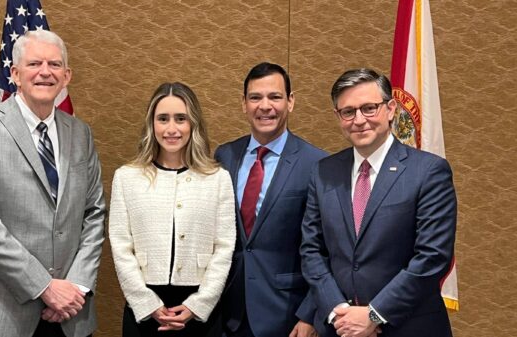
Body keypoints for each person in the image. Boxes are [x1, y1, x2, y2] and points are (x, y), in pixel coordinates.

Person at [0, 30, 106, 337]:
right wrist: (45, 287)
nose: (45, 72)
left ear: (67, 75)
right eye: (35, 63)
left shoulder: (80, 134)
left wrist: (76, 286)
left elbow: (94, 213)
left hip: (69, 315)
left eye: (55, 64)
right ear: (16, 74)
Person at [300, 68, 457, 337]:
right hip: (340, 327)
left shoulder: (429, 171)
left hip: (408, 326)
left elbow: (432, 257)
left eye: (369, 108)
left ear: (391, 108)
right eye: (348, 112)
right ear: (338, 117)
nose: (359, 120)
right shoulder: (323, 172)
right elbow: (312, 250)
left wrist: (374, 314)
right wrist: (338, 310)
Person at [109, 82, 236, 336]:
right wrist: (147, 303)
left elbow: (224, 247)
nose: (171, 128)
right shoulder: (127, 178)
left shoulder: (217, 178)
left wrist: (199, 304)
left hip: (199, 312)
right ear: (151, 124)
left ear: (193, 124)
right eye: (163, 119)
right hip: (144, 309)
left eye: (181, 119)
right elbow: (121, 246)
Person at [215, 62, 328, 337]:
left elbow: (328, 248)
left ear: (290, 101)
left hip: (289, 317)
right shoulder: (224, 157)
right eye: (255, 97)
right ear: (243, 103)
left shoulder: (317, 164)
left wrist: (311, 314)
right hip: (228, 313)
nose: (265, 106)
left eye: (274, 97)